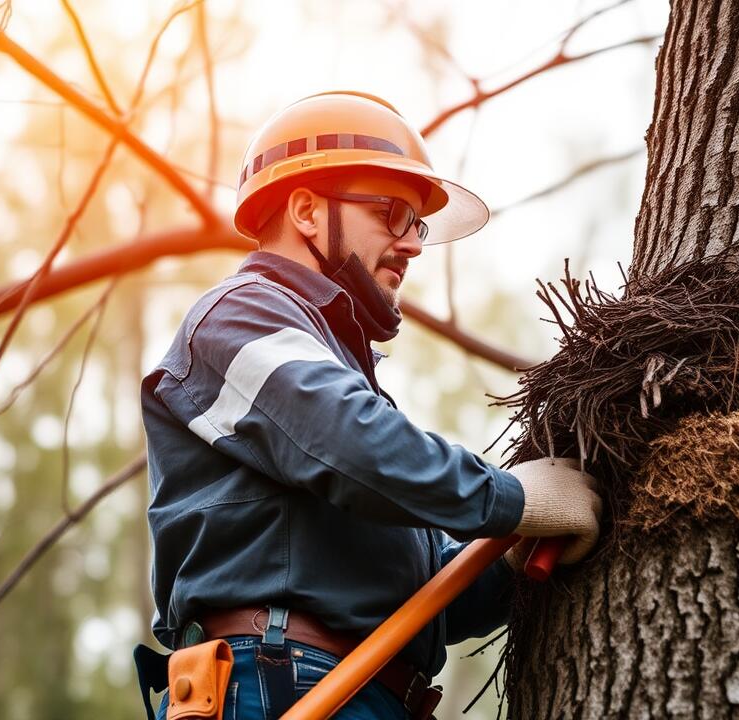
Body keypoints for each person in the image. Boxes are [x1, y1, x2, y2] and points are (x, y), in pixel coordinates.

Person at [136, 91, 603, 720]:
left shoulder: (335, 369)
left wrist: (508, 552)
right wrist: (511, 498)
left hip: (354, 690)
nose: (412, 244)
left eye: (418, 224)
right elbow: (349, 445)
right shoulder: (241, 315)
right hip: (280, 682)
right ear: (305, 210)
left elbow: (426, 596)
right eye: (392, 214)